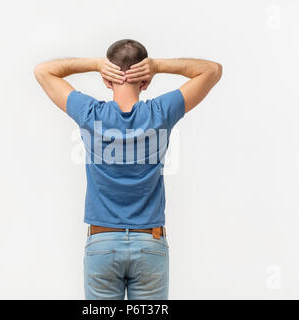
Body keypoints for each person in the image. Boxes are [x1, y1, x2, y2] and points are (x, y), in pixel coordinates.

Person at [34, 39, 222, 299]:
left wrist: (97, 64)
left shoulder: (90, 113)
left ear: (106, 80)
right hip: (150, 242)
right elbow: (212, 70)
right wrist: (158, 66)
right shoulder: (160, 112)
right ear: (145, 81)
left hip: (102, 242)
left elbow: (43, 71)